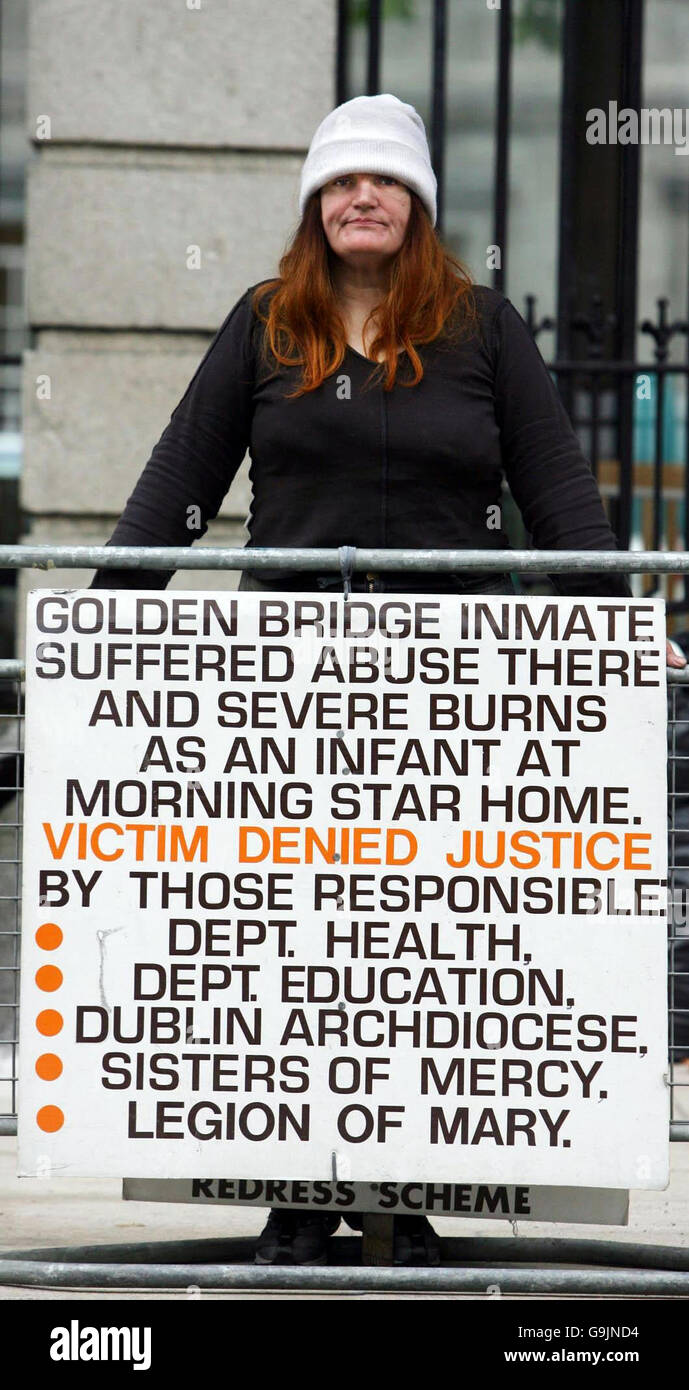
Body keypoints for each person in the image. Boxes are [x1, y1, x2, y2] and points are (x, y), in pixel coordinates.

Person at [90, 92, 685, 1266]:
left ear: (415, 205)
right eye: (340, 181)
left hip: (441, 704)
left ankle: (403, 1196)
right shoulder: (263, 324)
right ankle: (297, 1205)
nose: (362, 196)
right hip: (283, 703)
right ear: (315, 206)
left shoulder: (480, 330)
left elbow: (556, 488)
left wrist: (619, 619)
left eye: (384, 180)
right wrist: (96, 631)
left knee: (416, 954)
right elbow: (176, 489)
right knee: (293, 956)